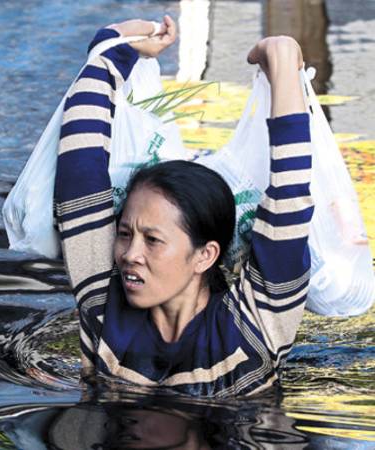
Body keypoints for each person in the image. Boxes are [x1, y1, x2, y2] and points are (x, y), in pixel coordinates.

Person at [53, 15, 313, 396]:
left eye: (153, 240)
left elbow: (290, 201)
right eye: (125, 234)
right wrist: (113, 50)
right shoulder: (102, 303)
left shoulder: (255, 324)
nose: (129, 254)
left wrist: (283, 60)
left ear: (205, 255)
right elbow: (78, 167)